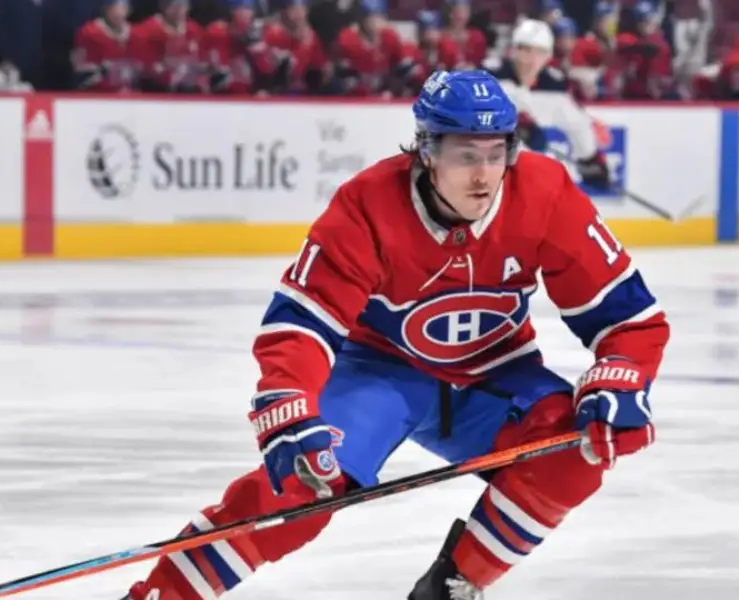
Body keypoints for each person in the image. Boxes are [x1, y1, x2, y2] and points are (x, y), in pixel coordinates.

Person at [125, 69, 669, 600]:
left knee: (575, 448)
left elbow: (629, 319)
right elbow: (303, 320)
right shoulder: (367, 204)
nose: (484, 176)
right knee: (303, 484)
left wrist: (622, 375)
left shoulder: (544, 192)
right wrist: (289, 396)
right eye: (465, 156)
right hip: (380, 370)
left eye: (495, 154)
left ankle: (453, 587)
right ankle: (162, 594)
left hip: (495, 375)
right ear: (427, 151)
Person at [487, 19, 613, 191]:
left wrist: (590, 158)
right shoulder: (492, 74)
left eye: (539, 52)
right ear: (513, 50)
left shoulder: (554, 84)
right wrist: (516, 121)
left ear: (548, 56)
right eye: (525, 50)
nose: (531, 59)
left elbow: (576, 121)